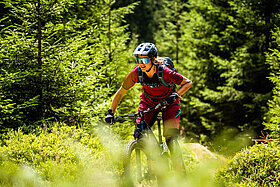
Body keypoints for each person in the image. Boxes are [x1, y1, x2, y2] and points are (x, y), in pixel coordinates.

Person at [105, 42, 192, 171]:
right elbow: (121, 91)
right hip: (148, 103)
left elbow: (187, 83)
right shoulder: (137, 72)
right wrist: (110, 112)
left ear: (152, 59)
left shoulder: (165, 71)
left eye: (145, 59)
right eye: (139, 60)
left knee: (171, 141)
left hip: (169, 103)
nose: (142, 63)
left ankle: (181, 175)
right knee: (139, 133)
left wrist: (176, 95)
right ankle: (154, 167)